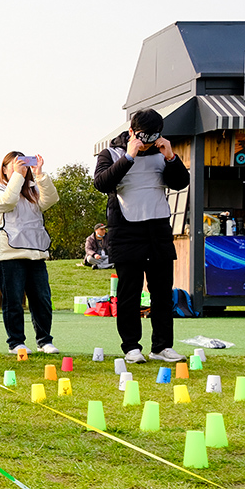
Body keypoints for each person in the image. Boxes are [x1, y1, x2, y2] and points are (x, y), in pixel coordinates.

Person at [93, 109, 190, 364]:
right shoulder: (111, 153)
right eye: (144, 137)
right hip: (126, 230)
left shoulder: (162, 152)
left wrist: (170, 157)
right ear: (133, 131)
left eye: (154, 137)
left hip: (157, 229)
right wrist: (129, 156)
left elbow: (181, 183)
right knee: (129, 292)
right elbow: (102, 183)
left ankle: (161, 346)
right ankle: (131, 347)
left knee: (162, 293)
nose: (148, 143)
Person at [0, 152, 60, 355]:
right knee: (13, 301)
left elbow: (51, 200)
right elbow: (7, 202)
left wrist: (40, 174)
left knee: (42, 300)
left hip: (35, 253)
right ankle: (16, 342)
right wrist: (17, 177)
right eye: (16, 164)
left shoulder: (33, 190)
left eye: (24, 165)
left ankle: (44, 340)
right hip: (10, 255)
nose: (21, 168)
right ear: (4, 168)